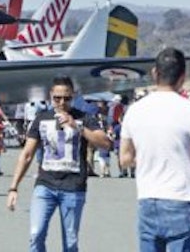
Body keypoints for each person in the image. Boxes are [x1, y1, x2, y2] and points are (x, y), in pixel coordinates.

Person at [119, 48, 190, 252]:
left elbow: (125, 158)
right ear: (182, 77)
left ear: (155, 73)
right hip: (182, 199)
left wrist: (147, 158)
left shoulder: (135, 110)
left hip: (148, 198)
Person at [6, 75, 111, 252]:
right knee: (36, 233)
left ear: (74, 96)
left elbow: (105, 143)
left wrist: (77, 126)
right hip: (45, 184)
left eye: (67, 98)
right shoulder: (41, 118)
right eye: (57, 98)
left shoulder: (84, 117)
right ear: (50, 96)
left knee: (70, 243)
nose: (62, 102)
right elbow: (27, 154)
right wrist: (13, 187)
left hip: (73, 187)